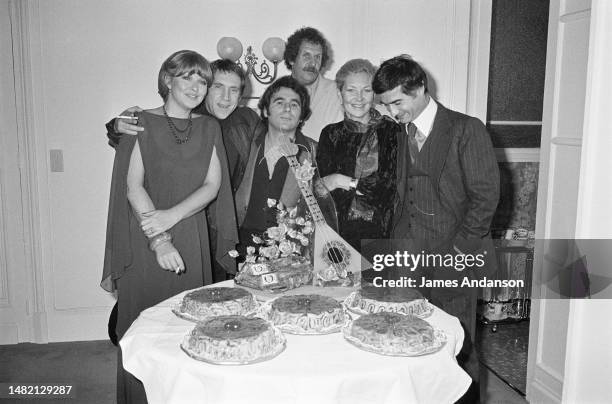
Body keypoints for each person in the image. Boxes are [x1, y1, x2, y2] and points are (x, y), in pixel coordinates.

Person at [101, 50, 237, 403]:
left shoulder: (209, 127)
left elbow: (212, 185)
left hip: (190, 236)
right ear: (167, 80)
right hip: (147, 238)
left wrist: (172, 217)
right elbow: (133, 187)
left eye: (202, 80)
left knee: (187, 327)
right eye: (187, 77)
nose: (196, 86)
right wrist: (160, 238)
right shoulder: (138, 121)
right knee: (144, 330)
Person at [373, 55, 500, 402]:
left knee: (458, 346)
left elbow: (485, 197)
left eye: (397, 103)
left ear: (419, 89)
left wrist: (459, 252)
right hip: (408, 259)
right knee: (411, 341)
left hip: (455, 258)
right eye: (386, 106)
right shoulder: (400, 131)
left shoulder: (465, 128)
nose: (392, 113)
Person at [106, 58, 265, 191]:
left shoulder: (246, 120)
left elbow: (273, 141)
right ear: (206, 88)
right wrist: (117, 126)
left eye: (234, 90)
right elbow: (142, 133)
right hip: (180, 216)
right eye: (218, 87)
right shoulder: (185, 117)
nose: (226, 97)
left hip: (228, 218)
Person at [234, 75, 336, 253]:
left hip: (291, 253)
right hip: (241, 246)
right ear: (266, 111)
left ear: (301, 117)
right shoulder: (245, 145)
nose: (287, 109)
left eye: (295, 104)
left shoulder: (314, 152)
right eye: (279, 102)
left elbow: (324, 207)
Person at [317, 59, 399, 251]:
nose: (359, 98)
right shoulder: (330, 133)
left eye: (367, 90)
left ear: (375, 95)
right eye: (351, 90)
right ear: (340, 94)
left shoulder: (391, 131)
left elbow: (385, 188)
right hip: (335, 234)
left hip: (381, 234)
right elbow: (320, 188)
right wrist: (333, 183)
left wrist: (339, 180)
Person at [284, 27, 343, 141]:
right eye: (306, 55)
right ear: (292, 59)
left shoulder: (337, 92)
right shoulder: (275, 93)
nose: (313, 63)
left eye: (317, 57)